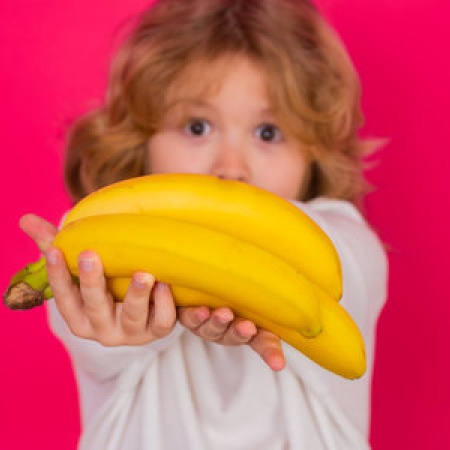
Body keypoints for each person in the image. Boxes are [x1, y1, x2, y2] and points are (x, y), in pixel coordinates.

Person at [20, 0, 388, 448]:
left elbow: (340, 275)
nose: (230, 167)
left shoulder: (347, 242)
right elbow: (85, 316)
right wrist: (96, 306)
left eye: (267, 133)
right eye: (197, 127)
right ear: (142, 142)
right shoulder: (108, 246)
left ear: (313, 155)